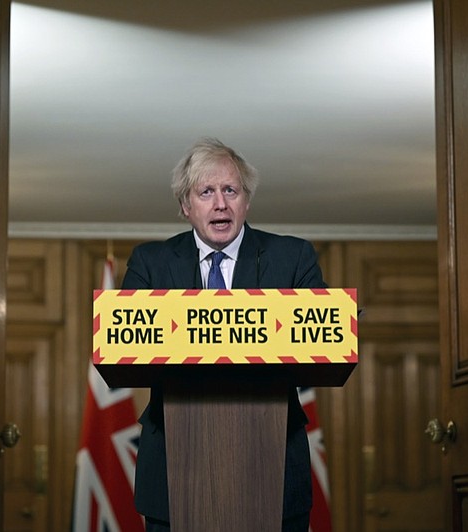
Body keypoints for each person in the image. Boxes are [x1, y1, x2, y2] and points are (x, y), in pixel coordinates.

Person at [121, 137, 327, 532]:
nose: (220, 203)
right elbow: (126, 344)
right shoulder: (150, 264)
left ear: (246, 201)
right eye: (206, 192)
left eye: (230, 190)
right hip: (173, 465)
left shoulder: (293, 258)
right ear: (186, 206)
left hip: (273, 464)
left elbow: (321, 340)